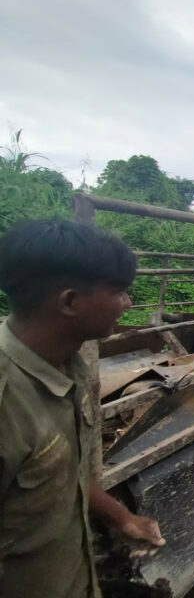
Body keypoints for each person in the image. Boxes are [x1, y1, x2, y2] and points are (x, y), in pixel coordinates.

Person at [0, 220, 166, 597]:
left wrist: (120, 518)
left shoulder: (67, 363)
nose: (128, 303)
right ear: (70, 302)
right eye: (119, 292)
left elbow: (57, 471)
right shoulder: (7, 400)